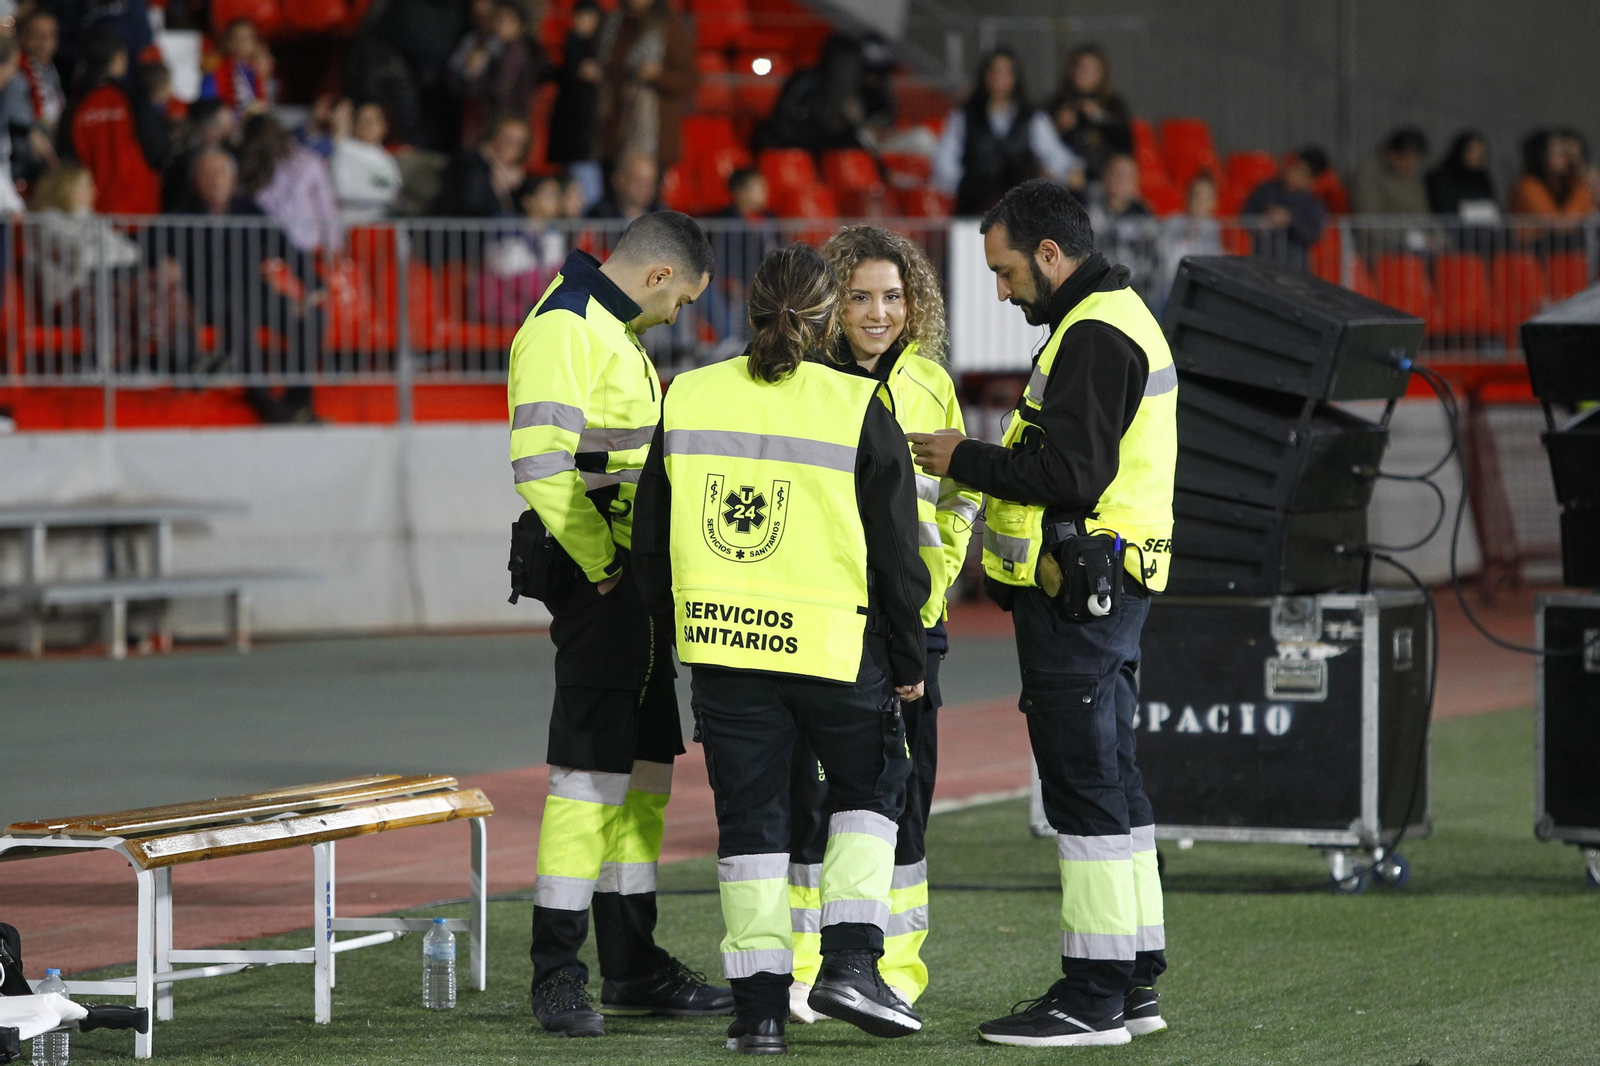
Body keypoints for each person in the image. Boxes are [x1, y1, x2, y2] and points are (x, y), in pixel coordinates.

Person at [631, 242, 931, 1054]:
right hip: (836, 652)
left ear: (748, 310)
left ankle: (758, 1013)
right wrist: (908, 664)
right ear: (830, 316)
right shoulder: (857, 404)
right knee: (875, 789)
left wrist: (676, 638)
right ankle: (851, 963)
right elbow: (898, 557)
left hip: (725, 655)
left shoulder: (686, 396)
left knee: (751, 832)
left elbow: (650, 543)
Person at [907, 178, 1175, 1047]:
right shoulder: (1113, 319)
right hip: (1110, 584)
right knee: (1114, 778)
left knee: (1085, 784)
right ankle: (1132, 979)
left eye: (1007, 269)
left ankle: (1093, 995)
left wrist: (964, 456)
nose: (1001, 288)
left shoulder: (1094, 333)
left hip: (1081, 590)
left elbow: (1068, 476)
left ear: (1052, 256)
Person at [507, 211, 730, 1037]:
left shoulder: (601, 323)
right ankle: (557, 974)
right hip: (600, 576)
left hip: (628, 579)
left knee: (642, 776)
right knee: (586, 777)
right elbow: (540, 466)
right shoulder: (570, 326)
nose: (680, 319)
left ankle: (633, 967)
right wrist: (606, 566)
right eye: (684, 302)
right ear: (660, 277)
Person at [780, 226, 979, 1024]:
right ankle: (804, 970)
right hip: (824, 626)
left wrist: (937, 578)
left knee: (906, 798)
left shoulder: (931, 383)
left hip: (912, 626)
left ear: (914, 301)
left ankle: (894, 971)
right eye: (860, 296)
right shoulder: (803, 383)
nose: (877, 312)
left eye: (893, 297)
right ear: (832, 301)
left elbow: (963, 492)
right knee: (809, 798)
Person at [933, 48, 1080, 217]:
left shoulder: (1032, 117)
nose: (998, 77)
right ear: (984, 75)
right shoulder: (964, 116)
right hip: (973, 210)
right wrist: (962, 186)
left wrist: (1069, 170)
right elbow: (945, 159)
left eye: (1005, 72)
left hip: (1019, 214)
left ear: (1015, 77)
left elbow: (1054, 154)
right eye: (994, 71)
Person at [62, 30, 165, 216]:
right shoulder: (134, 99)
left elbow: (68, 156)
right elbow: (155, 148)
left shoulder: (74, 107)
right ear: (119, 58)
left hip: (92, 208)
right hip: (138, 205)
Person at [597, 0, 696, 170]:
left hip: (653, 134)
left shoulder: (670, 26)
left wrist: (658, 75)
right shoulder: (613, 23)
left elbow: (690, 80)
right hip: (613, 128)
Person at [750, 33, 869, 157]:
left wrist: (855, 122)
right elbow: (783, 123)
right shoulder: (805, 82)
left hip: (820, 147)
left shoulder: (851, 92)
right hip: (790, 141)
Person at [457, 1, 546, 150]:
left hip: (504, 122)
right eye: (498, 19)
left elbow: (501, 90)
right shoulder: (498, 47)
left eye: (508, 20)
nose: (501, 25)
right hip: (498, 120)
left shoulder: (515, 52)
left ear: (520, 25)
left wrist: (476, 75)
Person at [547, 0, 604, 209]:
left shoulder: (601, 46)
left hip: (590, 140)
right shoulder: (572, 44)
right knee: (584, 196)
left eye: (588, 17)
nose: (583, 22)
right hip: (577, 139)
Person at [1049, 44, 1132, 183]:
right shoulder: (1058, 104)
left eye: (1090, 69)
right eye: (1081, 68)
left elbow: (1126, 145)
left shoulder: (1113, 105)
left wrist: (1099, 118)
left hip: (1102, 180)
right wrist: (1058, 127)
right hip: (1064, 177)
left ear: (1101, 73)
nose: (1084, 73)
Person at [432, 113, 529, 218]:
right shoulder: (470, 164)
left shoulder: (518, 179)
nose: (508, 146)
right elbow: (472, 207)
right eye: (505, 138)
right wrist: (496, 187)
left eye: (517, 142)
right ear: (492, 136)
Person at [1240, 151, 1326, 268]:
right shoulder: (1266, 190)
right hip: (1262, 265)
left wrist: (1290, 219)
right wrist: (1259, 221)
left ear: (1310, 179)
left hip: (1295, 269)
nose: (1293, 172)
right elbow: (1245, 216)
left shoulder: (1312, 203)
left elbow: (1313, 233)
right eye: (1295, 166)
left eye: (1301, 171)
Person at [1157, 172, 1222, 310]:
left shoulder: (1213, 227)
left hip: (1200, 293)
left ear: (1214, 202)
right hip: (1170, 290)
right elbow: (1165, 258)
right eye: (1196, 195)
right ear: (1187, 197)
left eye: (1206, 197)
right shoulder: (1172, 223)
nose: (1199, 201)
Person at [332, 101, 402, 221]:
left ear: (384, 126)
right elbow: (343, 190)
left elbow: (395, 187)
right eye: (364, 121)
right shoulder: (345, 150)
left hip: (385, 222)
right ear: (354, 125)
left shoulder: (386, 157)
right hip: (357, 224)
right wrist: (386, 196)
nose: (369, 126)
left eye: (375, 120)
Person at [161, 99, 236, 212]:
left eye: (221, 172)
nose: (215, 180)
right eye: (226, 124)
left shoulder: (229, 153)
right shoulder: (184, 157)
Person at [1351, 127, 1430, 215]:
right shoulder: (1368, 173)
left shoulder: (1412, 175)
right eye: (1406, 160)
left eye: (1415, 162)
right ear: (1392, 154)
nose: (1410, 167)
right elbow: (1368, 214)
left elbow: (1422, 211)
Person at [199, 19, 268, 116]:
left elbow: (263, 99)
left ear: (255, 43)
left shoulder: (257, 68)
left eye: (246, 38)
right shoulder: (216, 66)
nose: (240, 43)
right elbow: (207, 99)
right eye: (235, 38)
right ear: (227, 41)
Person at [1426, 130, 1499, 222]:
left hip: (1481, 232)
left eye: (1481, 153)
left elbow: (1491, 206)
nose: (1477, 157)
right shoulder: (1442, 178)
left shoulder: (1483, 179)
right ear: (1461, 151)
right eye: (1473, 151)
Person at [585, 150, 661, 221]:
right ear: (619, 180)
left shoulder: (661, 216)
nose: (646, 188)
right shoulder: (600, 215)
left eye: (651, 182)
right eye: (639, 181)